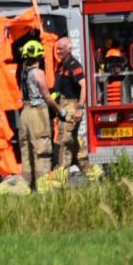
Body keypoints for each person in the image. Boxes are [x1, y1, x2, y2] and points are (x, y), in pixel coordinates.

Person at [18, 39, 66, 189]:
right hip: (37, 113)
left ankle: (26, 187)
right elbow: (46, 96)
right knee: (42, 150)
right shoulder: (38, 73)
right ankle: (44, 187)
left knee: (26, 152)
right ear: (39, 55)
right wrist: (60, 110)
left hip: (24, 114)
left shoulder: (23, 73)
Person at [52, 36, 86, 170]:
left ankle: (60, 175)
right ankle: (92, 172)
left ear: (69, 49)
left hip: (71, 106)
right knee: (73, 143)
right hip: (64, 105)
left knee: (64, 142)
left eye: (61, 49)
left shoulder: (73, 64)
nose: (58, 51)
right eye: (57, 49)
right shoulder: (63, 65)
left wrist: (80, 108)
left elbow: (83, 85)